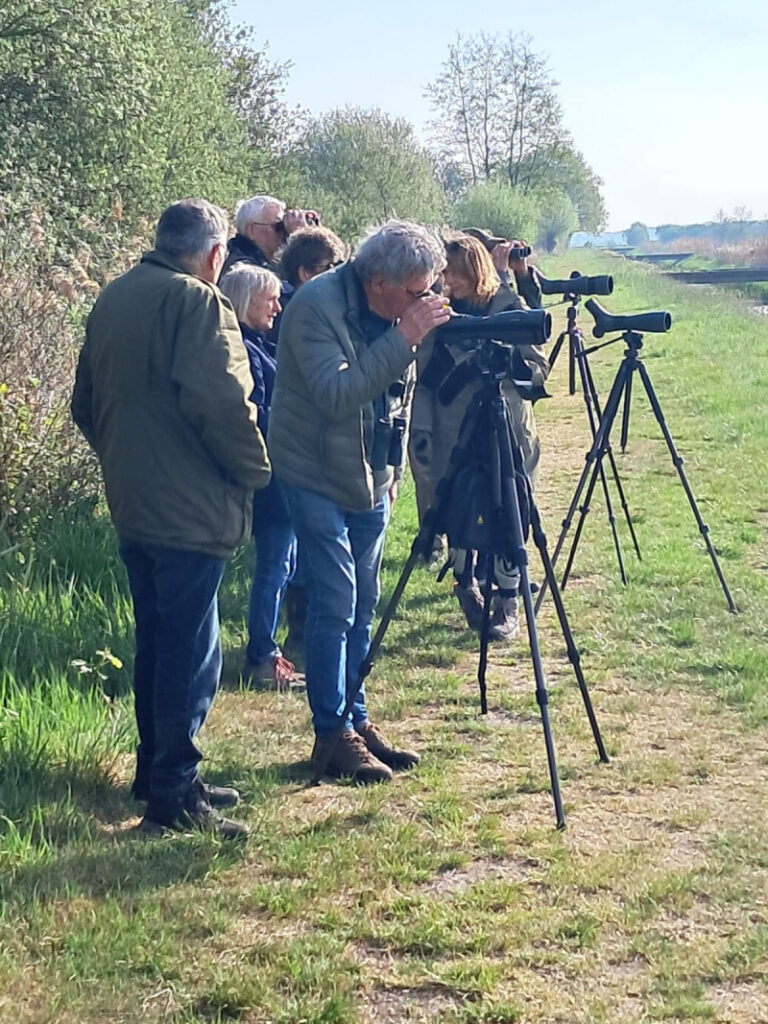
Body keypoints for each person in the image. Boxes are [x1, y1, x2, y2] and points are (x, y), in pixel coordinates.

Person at [71, 198, 271, 839]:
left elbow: (84, 405)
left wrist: (126, 461)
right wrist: (256, 472)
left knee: (158, 641)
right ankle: (175, 795)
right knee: (187, 650)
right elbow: (225, 404)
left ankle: (155, 772)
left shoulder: (114, 296)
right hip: (191, 508)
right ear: (215, 254)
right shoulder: (197, 301)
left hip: (134, 500)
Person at [268, 219, 450, 784]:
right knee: (336, 599)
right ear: (377, 283)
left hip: (371, 474)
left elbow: (399, 394)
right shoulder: (314, 307)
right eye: (417, 292)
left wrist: (394, 469)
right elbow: (337, 394)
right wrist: (405, 337)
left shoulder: (395, 310)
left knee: (363, 599)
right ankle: (332, 735)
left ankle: (356, 718)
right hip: (315, 472)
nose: (424, 301)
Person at [409, 233, 549, 641]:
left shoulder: (506, 306)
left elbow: (537, 367)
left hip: (506, 425)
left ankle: (508, 599)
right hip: (453, 427)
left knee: (510, 507)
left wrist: (508, 365)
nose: (450, 281)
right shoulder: (436, 312)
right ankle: (465, 582)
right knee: (456, 504)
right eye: (445, 272)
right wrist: (422, 430)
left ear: (477, 270)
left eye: (457, 272)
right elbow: (422, 377)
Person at [218, 264, 302, 690]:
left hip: (276, 468)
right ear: (245, 301)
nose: (277, 307)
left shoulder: (255, 344)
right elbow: (259, 415)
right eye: (269, 299)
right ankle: (263, 654)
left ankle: (268, 647)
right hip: (271, 472)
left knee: (284, 562)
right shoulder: (246, 351)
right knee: (276, 563)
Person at [276, 225, 348, 666]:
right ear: (305, 272)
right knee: (297, 558)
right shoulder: (300, 311)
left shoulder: (317, 304)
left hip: (315, 451)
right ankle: (299, 631)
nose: (338, 273)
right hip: (304, 453)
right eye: (330, 266)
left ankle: (303, 631)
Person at [222, 194, 320, 276]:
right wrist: (302, 237)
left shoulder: (255, 258)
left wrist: (313, 232)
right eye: (278, 226)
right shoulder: (243, 268)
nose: (283, 232)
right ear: (251, 230)